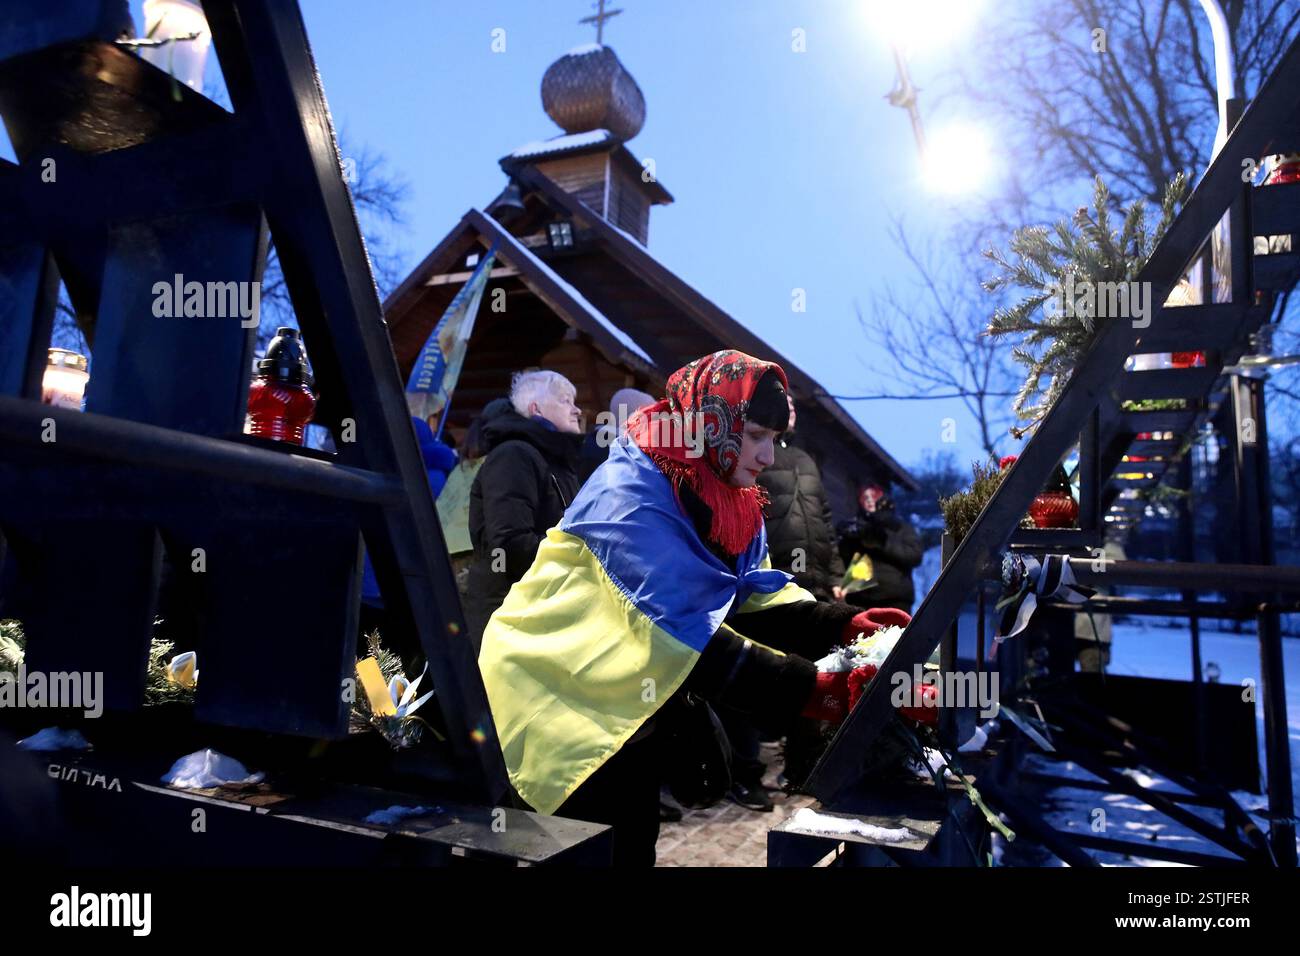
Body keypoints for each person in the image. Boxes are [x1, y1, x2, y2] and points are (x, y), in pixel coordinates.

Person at [478, 350, 917, 865]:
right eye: (756, 435)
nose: (768, 456)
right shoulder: (632, 491)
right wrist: (811, 691)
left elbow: (753, 594)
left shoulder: (730, 495)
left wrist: (842, 625)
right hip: (555, 692)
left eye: (774, 440)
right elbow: (680, 632)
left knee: (631, 842)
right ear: (713, 422)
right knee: (574, 849)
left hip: (624, 701)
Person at [464, 370, 585, 653]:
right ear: (536, 408)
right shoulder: (514, 455)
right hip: (509, 618)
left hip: (541, 611)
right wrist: (582, 550)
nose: (576, 409)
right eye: (566, 400)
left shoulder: (557, 462)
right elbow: (509, 545)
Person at [837, 485, 924, 613]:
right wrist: (848, 539)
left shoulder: (900, 528)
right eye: (865, 497)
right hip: (860, 599)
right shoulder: (857, 528)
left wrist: (883, 542)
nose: (869, 500)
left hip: (895, 599)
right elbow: (843, 559)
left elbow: (914, 555)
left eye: (874, 495)